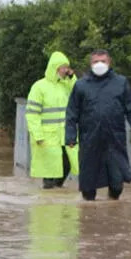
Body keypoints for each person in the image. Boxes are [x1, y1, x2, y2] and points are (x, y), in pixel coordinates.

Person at [65, 49, 131, 201]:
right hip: (90, 139)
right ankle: (89, 217)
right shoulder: (81, 85)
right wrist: (70, 137)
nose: (99, 64)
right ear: (90, 64)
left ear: (109, 62)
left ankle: (113, 206)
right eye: (96, 61)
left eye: (103, 61)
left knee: (117, 183)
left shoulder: (120, 83)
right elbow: (72, 114)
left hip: (114, 139)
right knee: (88, 188)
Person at [26, 52, 79, 189]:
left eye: (68, 67)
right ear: (56, 68)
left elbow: (79, 92)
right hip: (48, 137)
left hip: (65, 135)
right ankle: (49, 200)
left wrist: (72, 77)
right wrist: (37, 134)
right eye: (64, 67)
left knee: (67, 164)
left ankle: (58, 195)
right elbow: (32, 114)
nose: (66, 70)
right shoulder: (39, 87)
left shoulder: (66, 85)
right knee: (49, 171)